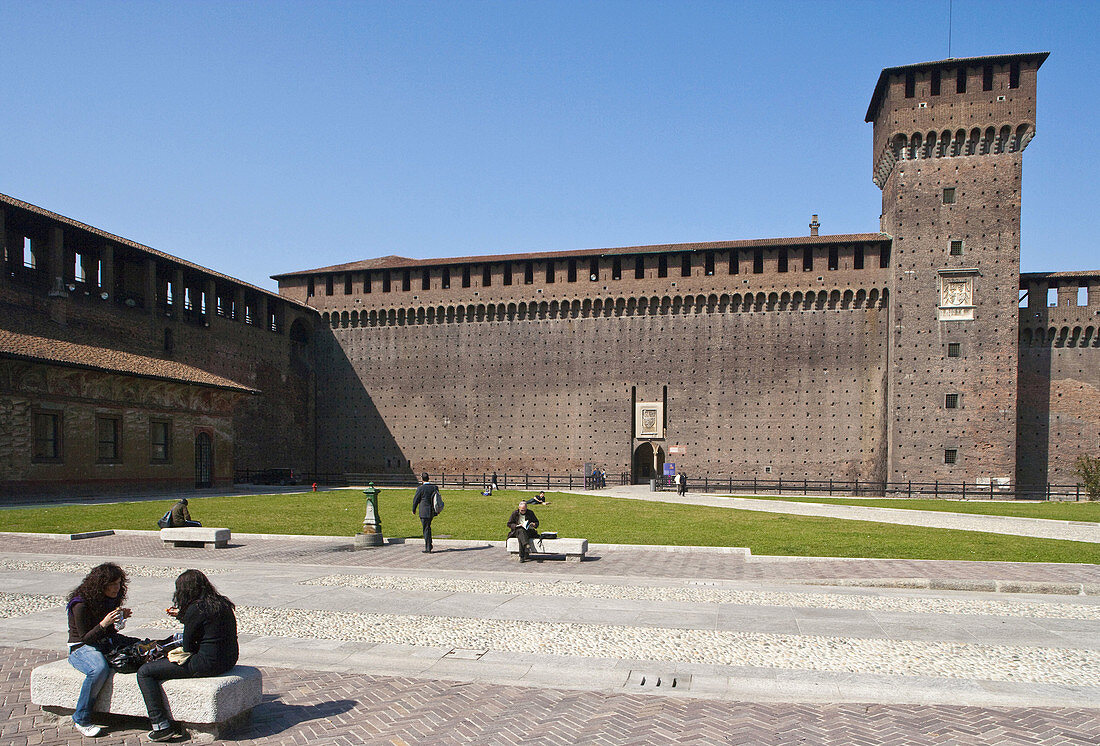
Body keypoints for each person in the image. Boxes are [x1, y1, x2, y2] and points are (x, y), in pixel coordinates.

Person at [137, 570, 238, 742]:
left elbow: (188, 646)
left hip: (207, 664)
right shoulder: (222, 603)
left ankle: (160, 725)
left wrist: (187, 617)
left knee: (145, 672)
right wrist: (184, 617)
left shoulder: (195, 609)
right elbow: (207, 625)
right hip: (228, 659)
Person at [66, 562, 136, 738]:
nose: (116, 588)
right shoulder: (80, 604)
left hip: (102, 641)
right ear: (100, 585)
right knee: (98, 669)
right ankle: (81, 718)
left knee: (140, 647)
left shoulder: (110, 599)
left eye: (119, 583)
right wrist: (104, 623)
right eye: (111, 584)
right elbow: (86, 638)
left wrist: (119, 619)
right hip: (80, 647)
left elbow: (110, 632)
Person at [411, 473, 440, 553]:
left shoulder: (420, 488)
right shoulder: (434, 487)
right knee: (428, 527)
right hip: (432, 511)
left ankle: (428, 547)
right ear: (428, 478)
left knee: (426, 529)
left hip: (424, 511)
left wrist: (414, 509)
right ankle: (429, 544)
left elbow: (416, 499)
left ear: (422, 479)